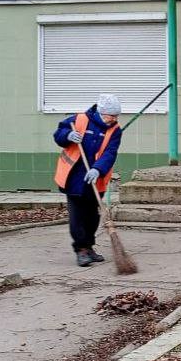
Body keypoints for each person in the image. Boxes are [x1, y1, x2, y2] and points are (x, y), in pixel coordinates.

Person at [53, 94, 123, 267]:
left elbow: (110, 153)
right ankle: (81, 250)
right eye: (111, 115)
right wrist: (68, 135)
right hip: (74, 177)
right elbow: (58, 134)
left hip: (96, 179)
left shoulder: (115, 130)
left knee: (92, 216)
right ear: (101, 112)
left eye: (116, 116)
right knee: (77, 216)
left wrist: (98, 169)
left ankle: (89, 246)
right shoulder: (78, 119)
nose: (114, 119)